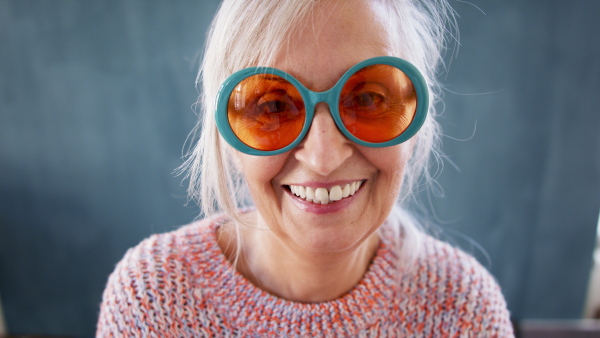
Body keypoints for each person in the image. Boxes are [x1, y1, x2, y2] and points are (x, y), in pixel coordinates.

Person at [97, 0, 514, 336]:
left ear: (416, 122)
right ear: (226, 134)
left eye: (367, 99)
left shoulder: (464, 311)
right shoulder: (153, 299)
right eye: (273, 106)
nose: (323, 157)